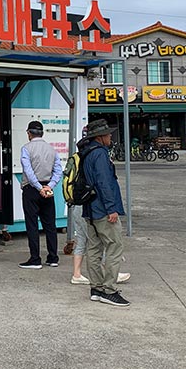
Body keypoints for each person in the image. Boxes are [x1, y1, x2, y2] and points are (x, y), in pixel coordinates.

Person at [69, 124, 130, 286]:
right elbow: (104, 183)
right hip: (102, 209)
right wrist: (112, 208)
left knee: (94, 249)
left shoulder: (85, 153)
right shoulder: (100, 154)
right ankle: (108, 288)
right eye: (108, 135)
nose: (110, 137)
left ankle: (96, 287)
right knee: (114, 246)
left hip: (89, 208)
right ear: (99, 137)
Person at [18, 120, 62, 269]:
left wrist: (38, 187)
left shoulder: (26, 149)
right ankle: (53, 257)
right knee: (50, 224)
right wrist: (49, 186)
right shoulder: (52, 149)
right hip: (48, 188)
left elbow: (28, 172)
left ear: (29, 134)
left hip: (32, 189)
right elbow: (58, 171)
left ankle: (35, 259)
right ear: (42, 133)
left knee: (32, 224)